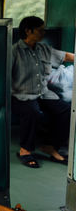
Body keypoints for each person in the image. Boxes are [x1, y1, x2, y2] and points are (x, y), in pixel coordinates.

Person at [12, 16, 75, 168]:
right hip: (21, 95)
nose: (43, 33)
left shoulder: (44, 49)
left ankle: (50, 146)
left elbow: (65, 56)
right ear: (28, 31)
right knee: (32, 112)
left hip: (42, 93)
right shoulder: (14, 51)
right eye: (40, 30)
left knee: (66, 110)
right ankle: (25, 150)